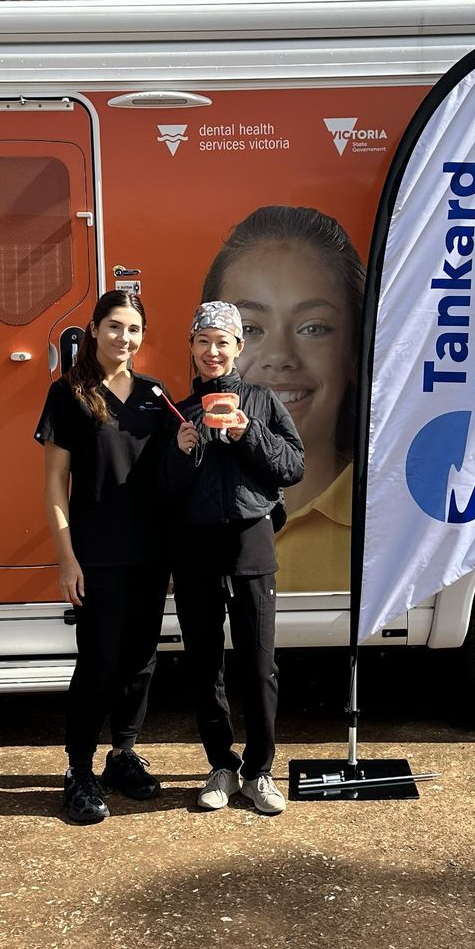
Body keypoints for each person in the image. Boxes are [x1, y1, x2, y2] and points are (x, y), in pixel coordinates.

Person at [162, 301, 305, 815]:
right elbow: (161, 493)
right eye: (204, 341)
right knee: (205, 663)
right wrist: (178, 452)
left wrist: (251, 434)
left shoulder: (263, 401)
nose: (213, 350)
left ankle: (260, 770)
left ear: (239, 348)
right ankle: (221, 766)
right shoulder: (177, 411)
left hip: (251, 544)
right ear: (192, 348)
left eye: (223, 341)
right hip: (195, 548)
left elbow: (293, 467)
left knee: (260, 663)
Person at [34, 290, 171, 826]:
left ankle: (123, 755)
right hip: (96, 555)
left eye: (133, 329)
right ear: (93, 330)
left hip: (150, 552)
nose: (124, 338)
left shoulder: (156, 396)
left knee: (141, 659)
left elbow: (169, 476)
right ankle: (78, 769)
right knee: (98, 662)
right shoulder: (68, 394)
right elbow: (53, 484)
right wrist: (66, 558)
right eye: (114, 327)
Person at [201, 206, 363, 592]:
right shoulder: (185, 502)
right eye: (251, 328)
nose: (280, 356)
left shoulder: (384, 515)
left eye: (313, 327)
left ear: (354, 350)